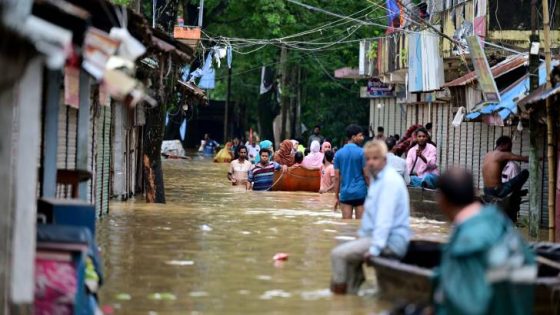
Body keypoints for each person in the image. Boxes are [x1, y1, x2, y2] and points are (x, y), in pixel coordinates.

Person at [433, 168, 535, 315]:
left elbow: (466, 307)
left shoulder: (466, 244)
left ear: (441, 200)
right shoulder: (501, 223)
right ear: (474, 193)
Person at [330, 140, 411, 294]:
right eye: (368, 159)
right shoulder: (378, 180)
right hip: (380, 238)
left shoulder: (389, 182)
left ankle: (339, 299)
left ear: (385, 160)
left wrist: (374, 249)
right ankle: (354, 292)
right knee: (348, 254)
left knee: (338, 255)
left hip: (390, 241)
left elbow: (384, 220)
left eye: (375, 158)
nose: (371, 163)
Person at [334, 124, 369, 219]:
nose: (362, 138)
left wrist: (336, 196)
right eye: (360, 135)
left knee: (346, 228)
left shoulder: (338, 154)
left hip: (345, 194)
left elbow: (337, 178)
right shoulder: (362, 153)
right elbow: (366, 175)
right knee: (360, 226)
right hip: (360, 193)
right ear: (353, 137)